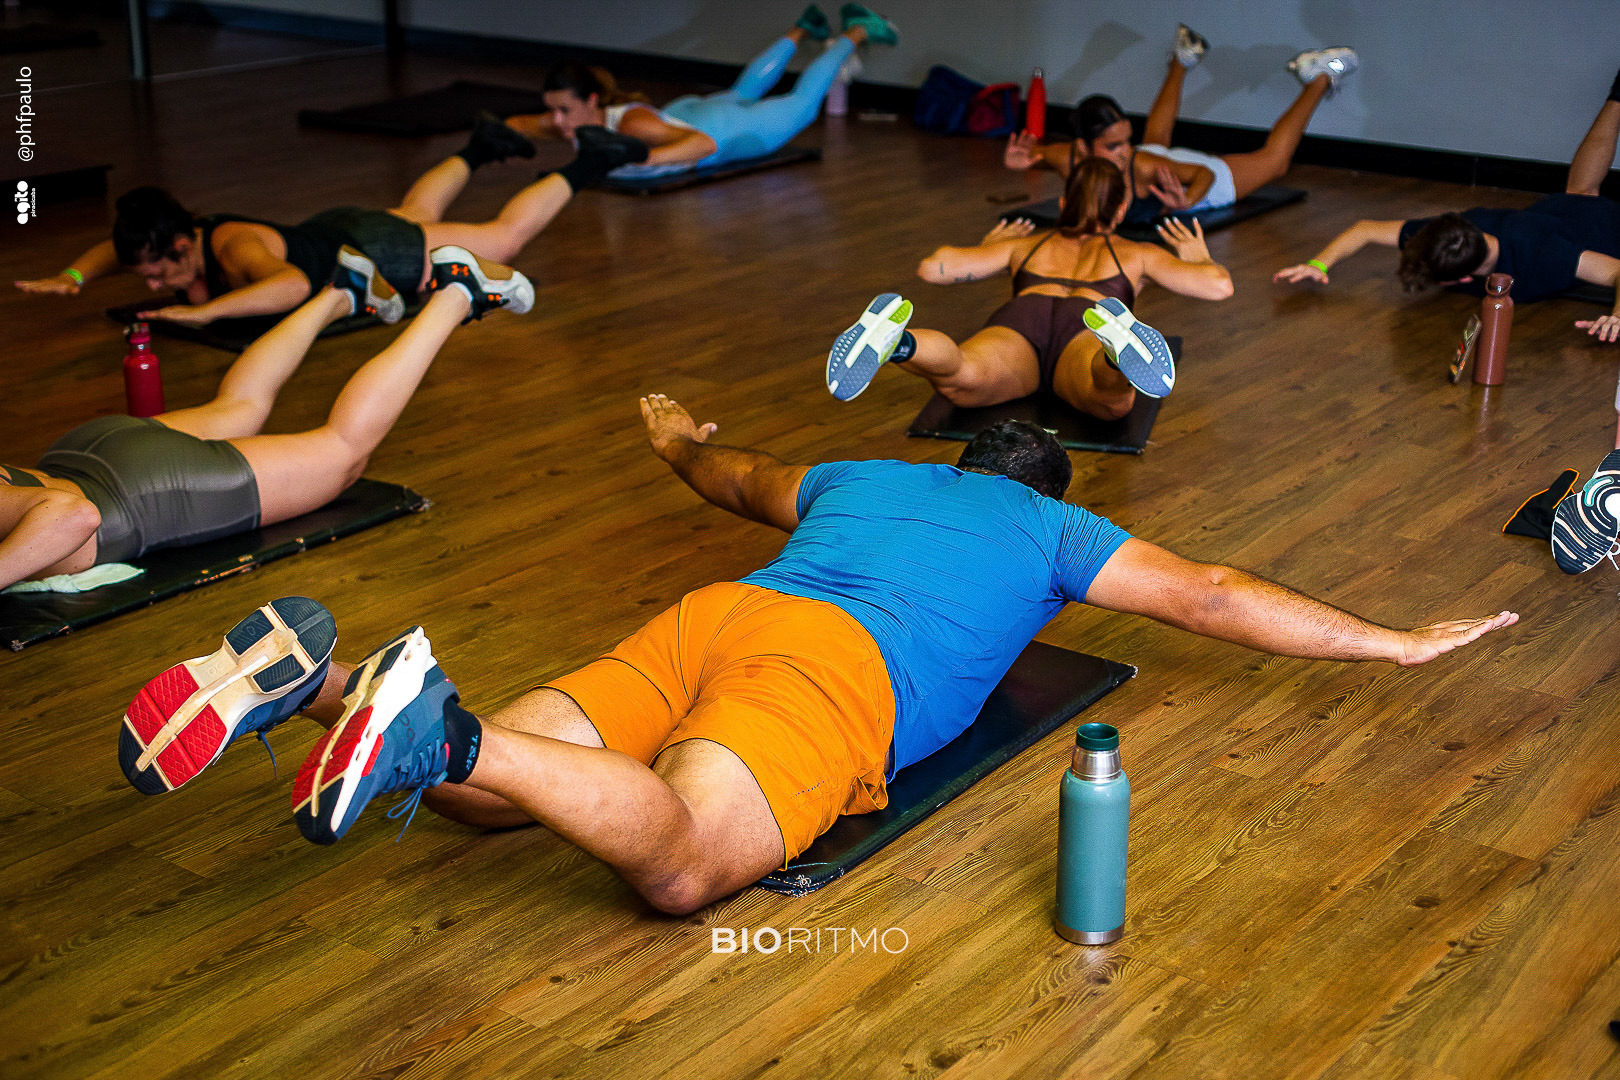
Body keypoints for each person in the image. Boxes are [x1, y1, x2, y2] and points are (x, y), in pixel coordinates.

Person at [117, 397, 1517, 914]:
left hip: (713, 616)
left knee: (485, 812)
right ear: (1045, 488)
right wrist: (1392, 643)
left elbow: (732, 478)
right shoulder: (1053, 525)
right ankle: (440, 729)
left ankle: (318, 688)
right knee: (682, 870)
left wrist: (676, 438)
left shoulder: (858, 474)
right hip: (830, 672)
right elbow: (1207, 594)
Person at [0, 247, 532, 592]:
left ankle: (456, 291)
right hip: (89, 451)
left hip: (131, 494)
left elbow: (72, 516)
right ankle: (343, 289)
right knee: (239, 408)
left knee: (343, 452)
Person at [11, 118, 618, 328]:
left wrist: (204, 313)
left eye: (154, 272)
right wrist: (73, 277)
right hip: (337, 230)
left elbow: (292, 286)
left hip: (368, 248)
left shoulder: (234, 249)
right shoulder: (173, 239)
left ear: (179, 244)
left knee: (503, 239)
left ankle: (591, 160)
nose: (148, 283)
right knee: (418, 214)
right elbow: (115, 248)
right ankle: (481, 147)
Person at [824, 157, 1231, 417]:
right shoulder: (1137, 253)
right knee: (1113, 402)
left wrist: (985, 248)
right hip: (1086, 326)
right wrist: (1200, 258)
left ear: (1062, 204)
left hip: (1021, 320)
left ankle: (899, 343)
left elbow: (933, 269)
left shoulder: (1024, 244)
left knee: (960, 378)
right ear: (1121, 209)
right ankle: (1112, 355)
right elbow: (1218, 288)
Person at [1275, 71, 1620, 343]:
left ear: (1464, 279)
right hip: (1558, 212)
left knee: (1584, 193)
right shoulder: (1450, 233)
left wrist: (1617, 317)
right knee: (1580, 191)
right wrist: (1317, 264)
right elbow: (1364, 229)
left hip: (1605, 228)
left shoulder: (1546, 255)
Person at [1006, 25, 1357, 224]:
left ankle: (1319, 76)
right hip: (1161, 165)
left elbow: (1203, 175)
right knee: (1155, 140)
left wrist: (1186, 201)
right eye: (1113, 146)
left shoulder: (1139, 164)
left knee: (1275, 162)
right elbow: (1035, 155)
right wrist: (1020, 163)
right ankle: (1182, 59)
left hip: (1204, 186)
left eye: (1127, 140)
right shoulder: (1066, 157)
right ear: (1082, 148)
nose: (1125, 151)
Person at [505, 4, 898, 179]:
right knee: (743, 90)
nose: (556, 121)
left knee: (803, 104)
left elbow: (705, 146)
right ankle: (803, 28)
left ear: (591, 101)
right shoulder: (568, 123)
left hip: (717, 131)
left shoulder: (632, 126)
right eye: (552, 110)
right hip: (688, 111)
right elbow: (520, 125)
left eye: (564, 109)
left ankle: (858, 29)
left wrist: (643, 159)